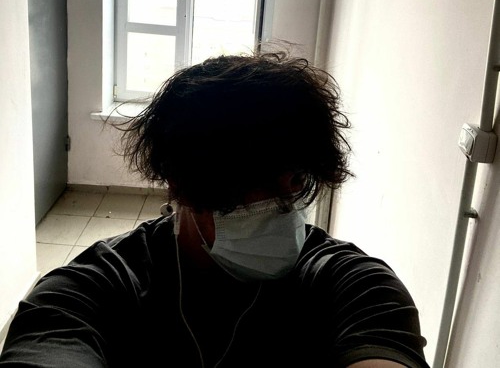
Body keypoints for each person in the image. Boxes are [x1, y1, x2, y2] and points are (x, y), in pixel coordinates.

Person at [0, 51, 430, 367]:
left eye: (295, 182)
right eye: (250, 185)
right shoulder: (93, 288)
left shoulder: (353, 285)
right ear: (180, 186)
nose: (281, 207)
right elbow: (53, 343)